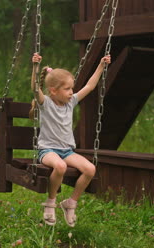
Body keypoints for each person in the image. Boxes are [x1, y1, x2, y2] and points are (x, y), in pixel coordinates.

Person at [29, 52, 111, 227]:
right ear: (53, 90)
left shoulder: (71, 102)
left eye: (72, 88)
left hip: (66, 151)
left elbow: (89, 86)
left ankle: (70, 203)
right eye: (67, 89)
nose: (71, 92)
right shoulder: (46, 104)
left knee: (90, 169)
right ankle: (50, 203)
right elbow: (35, 89)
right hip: (47, 151)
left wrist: (101, 66)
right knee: (60, 166)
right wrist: (35, 67)